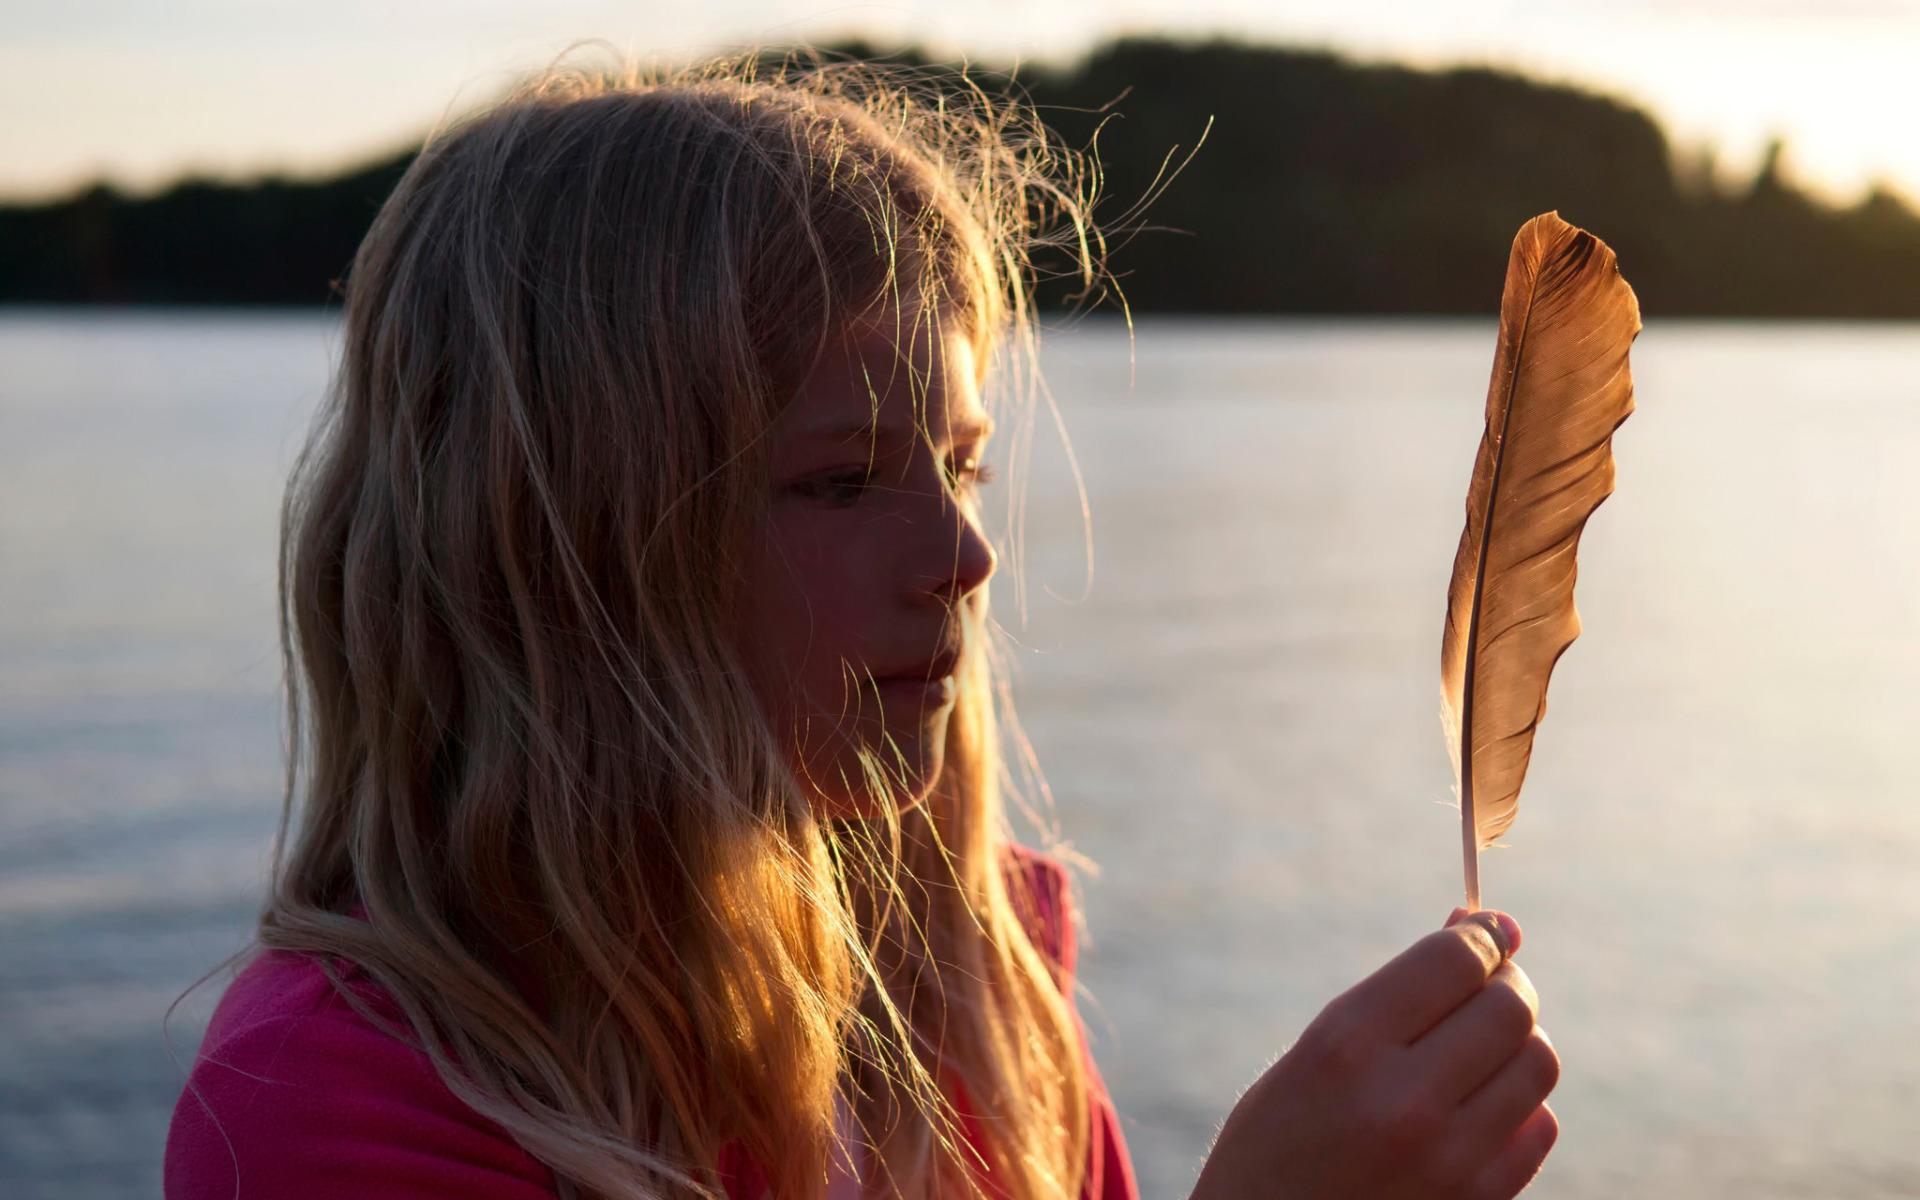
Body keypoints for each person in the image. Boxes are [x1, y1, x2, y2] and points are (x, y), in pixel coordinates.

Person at [164, 55, 1559, 1200]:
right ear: (556, 549)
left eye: (959, 464)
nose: (966, 555)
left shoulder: (971, 985)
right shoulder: (334, 1109)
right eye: (841, 478)